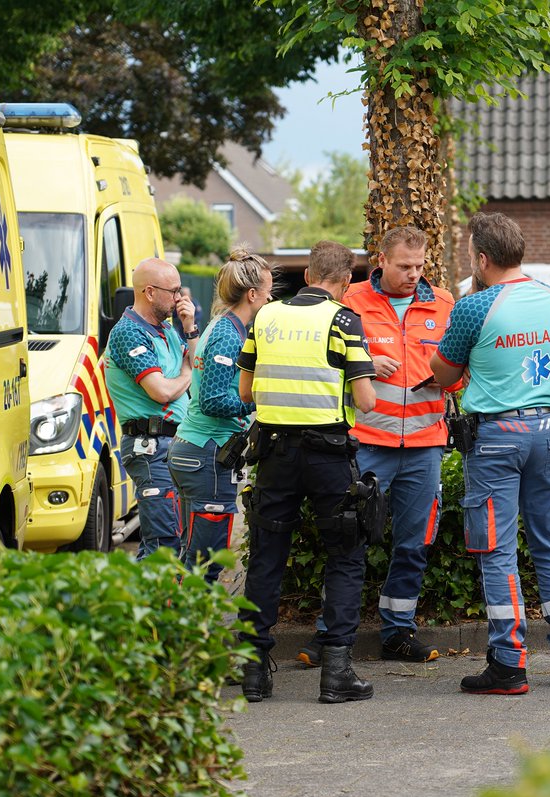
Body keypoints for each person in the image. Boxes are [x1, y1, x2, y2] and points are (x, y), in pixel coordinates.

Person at [430, 212, 550, 694]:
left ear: (481, 259)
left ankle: (508, 664)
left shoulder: (475, 308)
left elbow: (444, 374)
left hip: (497, 437)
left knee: (496, 552)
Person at [294, 227, 457, 667]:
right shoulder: (350, 303)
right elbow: (325, 367)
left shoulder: (443, 304)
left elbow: (459, 371)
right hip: (367, 444)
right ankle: (329, 635)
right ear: (380, 260)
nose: (413, 274)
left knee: (413, 544)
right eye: (404, 266)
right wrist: (363, 364)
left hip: (424, 447)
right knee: (348, 539)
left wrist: (445, 374)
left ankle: (399, 632)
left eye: (420, 266)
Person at [237, 241, 378, 704]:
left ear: (308, 274)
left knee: (266, 555)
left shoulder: (266, 317)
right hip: (328, 457)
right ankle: (336, 671)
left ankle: (254, 671)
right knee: (344, 553)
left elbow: (245, 391)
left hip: (274, 453)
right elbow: (366, 401)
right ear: (347, 282)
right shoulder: (343, 320)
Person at [168, 248, 275, 582]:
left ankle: (177, 627)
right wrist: (259, 401)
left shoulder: (222, 325)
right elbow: (213, 400)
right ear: (253, 294)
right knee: (206, 561)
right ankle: (193, 631)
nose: (271, 299)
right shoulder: (229, 336)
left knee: (192, 556)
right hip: (206, 455)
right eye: (268, 292)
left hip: (195, 452)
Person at [104, 257, 197, 560]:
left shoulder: (168, 330)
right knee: (164, 543)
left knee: (169, 541)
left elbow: (199, 366)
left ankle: (149, 604)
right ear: (149, 292)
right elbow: (161, 391)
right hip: (150, 448)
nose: (179, 298)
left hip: (174, 445)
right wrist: (185, 374)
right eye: (173, 292)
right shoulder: (128, 333)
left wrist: (189, 327)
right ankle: (150, 605)